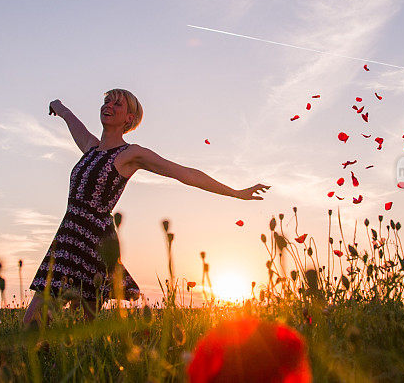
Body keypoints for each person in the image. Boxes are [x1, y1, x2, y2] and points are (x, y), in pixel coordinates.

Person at [22, 89, 270, 325]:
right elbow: (71, 120)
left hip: (96, 242)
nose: (108, 105)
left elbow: (183, 173)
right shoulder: (90, 147)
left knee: (86, 327)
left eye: (117, 103)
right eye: (107, 100)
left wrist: (237, 193)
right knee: (35, 320)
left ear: (129, 118)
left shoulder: (130, 154)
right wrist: (60, 107)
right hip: (68, 236)